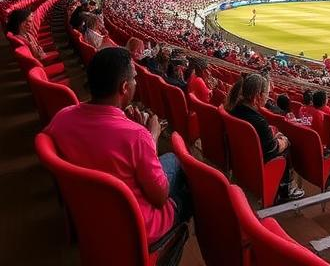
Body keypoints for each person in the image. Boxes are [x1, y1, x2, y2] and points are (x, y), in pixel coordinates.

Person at [45, 47, 191, 243]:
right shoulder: (137, 137)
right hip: (136, 227)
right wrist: (152, 137)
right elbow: (160, 197)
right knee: (189, 188)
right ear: (124, 87)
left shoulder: (61, 118)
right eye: (134, 78)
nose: (136, 82)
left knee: (172, 160)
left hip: (88, 212)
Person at [227, 73, 304, 200]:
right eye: (266, 93)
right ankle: (287, 189)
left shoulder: (235, 109)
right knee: (286, 145)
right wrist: (283, 141)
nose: (268, 97)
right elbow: (271, 149)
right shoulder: (258, 120)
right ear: (258, 95)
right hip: (259, 163)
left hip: (242, 158)